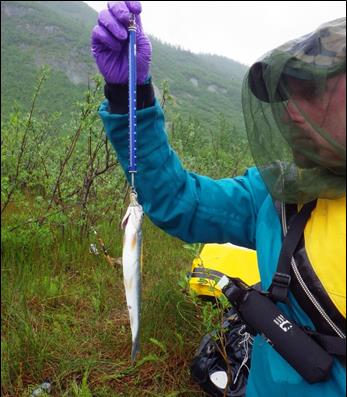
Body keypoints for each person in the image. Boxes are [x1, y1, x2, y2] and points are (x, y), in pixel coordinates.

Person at [91, 2, 346, 396]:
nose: (292, 111)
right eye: (287, 95)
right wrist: (132, 96)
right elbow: (180, 200)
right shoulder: (280, 194)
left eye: (311, 90)